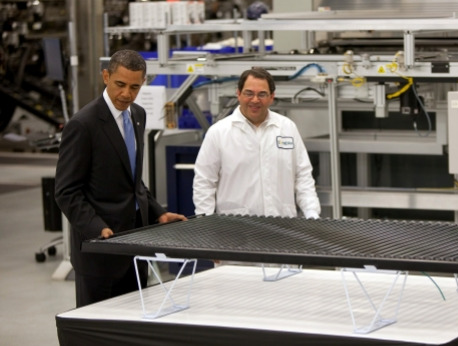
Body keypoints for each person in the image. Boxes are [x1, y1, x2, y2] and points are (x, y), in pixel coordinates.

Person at [55, 49, 187, 307]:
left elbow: (133, 181)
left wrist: (158, 211)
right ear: (106, 76)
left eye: (135, 87)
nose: (127, 93)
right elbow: (66, 191)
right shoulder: (83, 125)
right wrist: (97, 228)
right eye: (120, 84)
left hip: (134, 247)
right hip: (100, 251)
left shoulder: (138, 115)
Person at [193, 67, 320, 219]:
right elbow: (204, 182)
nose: (255, 100)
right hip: (235, 228)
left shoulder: (287, 128)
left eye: (262, 94)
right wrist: (204, 221)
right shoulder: (218, 132)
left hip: (283, 224)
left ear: (272, 97)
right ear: (238, 94)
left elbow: (303, 176)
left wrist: (312, 213)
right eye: (249, 93)